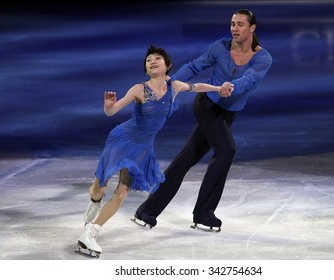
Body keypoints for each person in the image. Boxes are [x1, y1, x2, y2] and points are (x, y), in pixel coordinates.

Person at [76, 45, 230, 258]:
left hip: (142, 149)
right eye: (149, 60)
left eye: (158, 58)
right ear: (146, 68)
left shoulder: (174, 86)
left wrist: (219, 88)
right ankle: (94, 200)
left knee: (121, 193)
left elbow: (197, 86)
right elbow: (112, 112)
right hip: (122, 140)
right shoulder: (138, 89)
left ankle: (90, 232)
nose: (153, 61)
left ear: (167, 66)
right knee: (99, 189)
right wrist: (108, 106)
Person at [133, 9, 272, 232]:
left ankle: (147, 212)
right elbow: (195, 66)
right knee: (227, 150)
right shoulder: (220, 47)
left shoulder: (263, 58)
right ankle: (204, 214)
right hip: (207, 106)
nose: (234, 28)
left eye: (240, 24)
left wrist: (232, 85)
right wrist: (171, 83)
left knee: (186, 159)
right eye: (232, 24)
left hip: (228, 113)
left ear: (252, 28)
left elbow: (250, 78)